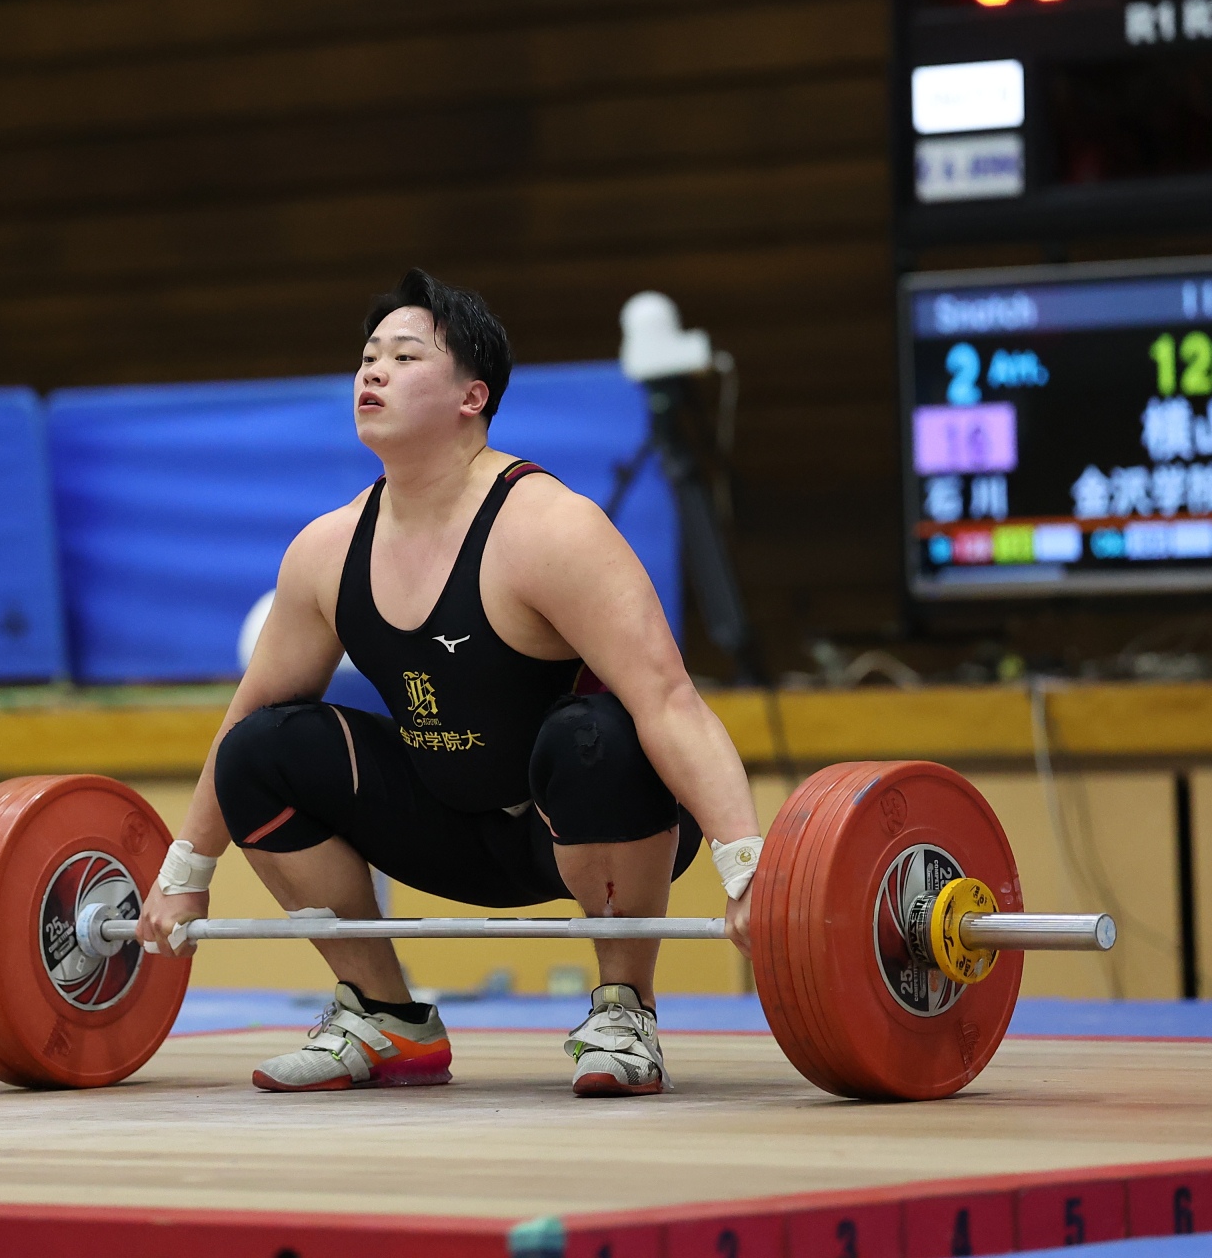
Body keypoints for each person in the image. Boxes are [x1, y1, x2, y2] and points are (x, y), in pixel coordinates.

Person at [138, 270, 763, 1098]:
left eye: (404, 356)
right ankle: (384, 1016)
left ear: (473, 396)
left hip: (585, 824)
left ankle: (625, 1008)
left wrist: (748, 869)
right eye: (368, 356)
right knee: (258, 749)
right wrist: (184, 875)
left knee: (597, 732)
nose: (373, 371)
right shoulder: (326, 550)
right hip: (441, 826)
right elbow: (249, 709)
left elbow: (669, 702)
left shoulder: (551, 528)